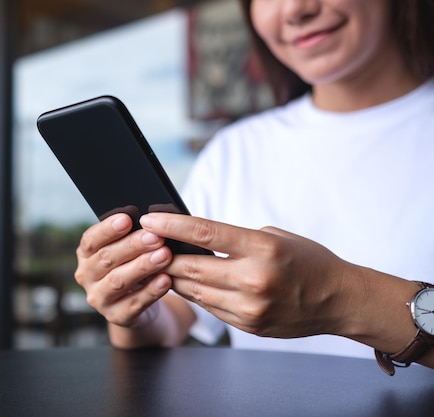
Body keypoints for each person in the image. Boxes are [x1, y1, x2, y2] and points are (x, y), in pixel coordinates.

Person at [74, 0, 434, 375]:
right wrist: (134, 308)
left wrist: (343, 298)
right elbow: (177, 317)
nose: (295, 10)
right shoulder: (234, 150)